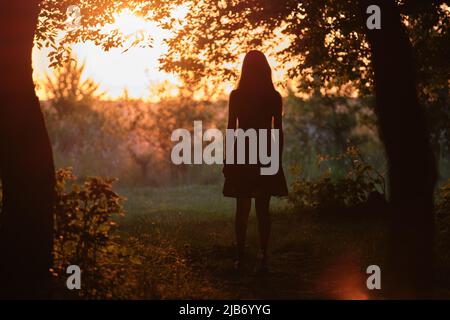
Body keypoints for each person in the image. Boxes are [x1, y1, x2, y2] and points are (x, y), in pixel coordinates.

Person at [223, 50, 288, 272]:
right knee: (263, 209)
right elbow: (278, 131)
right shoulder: (274, 96)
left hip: (243, 152)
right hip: (265, 152)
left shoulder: (237, 95)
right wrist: (276, 159)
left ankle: (240, 257)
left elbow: (232, 129)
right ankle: (264, 256)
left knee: (242, 208)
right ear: (265, 69)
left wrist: (228, 158)